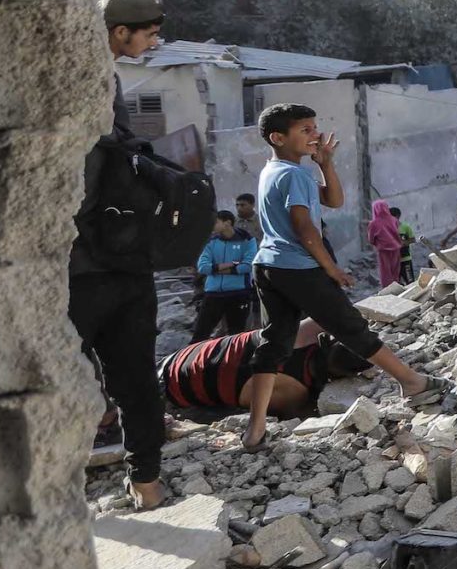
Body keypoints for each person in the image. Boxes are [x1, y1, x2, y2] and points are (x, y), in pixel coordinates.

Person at [248, 102, 437, 450]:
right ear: (278, 137)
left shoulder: (274, 170)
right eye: (305, 130)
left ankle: (255, 427)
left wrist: (327, 165)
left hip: (268, 266)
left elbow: (332, 200)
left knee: (274, 342)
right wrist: (330, 267)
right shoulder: (294, 175)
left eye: (315, 127)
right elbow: (304, 227)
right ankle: (411, 381)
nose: (316, 134)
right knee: (350, 326)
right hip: (299, 267)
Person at [72, 0, 171, 510]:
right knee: (132, 375)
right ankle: (146, 483)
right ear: (119, 32)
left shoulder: (96, 76)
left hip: (93, 260)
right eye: (149, 34)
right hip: (106, 258)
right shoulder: (92, 80)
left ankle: (138, 480)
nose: (155, 42)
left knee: (119, 374)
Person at [162, 320, 347, 419]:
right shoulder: (295, 393)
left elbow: (343, 314)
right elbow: (300, 417)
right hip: (172, 392)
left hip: (177, 359)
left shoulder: (306, 330)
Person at [191, 209, 258, 340]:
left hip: (238, 294)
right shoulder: (211, 242)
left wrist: (215, 269)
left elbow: (248, 265)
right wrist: (232, 264)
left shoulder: (247, 240)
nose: (212, 225)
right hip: (213, 294)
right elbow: (203, 267)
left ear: (227, 223)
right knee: (199, 335)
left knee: (237, 336)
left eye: (215, 222)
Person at [367, 199, 405, 287]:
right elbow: (397, 232)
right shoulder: (393, 220)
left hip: (383, 250)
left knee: (385, 271)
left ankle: (388, 289)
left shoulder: (373, 223)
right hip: (396, 247)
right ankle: (396, 287)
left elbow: (371, 239)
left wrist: (376, 243)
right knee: (395, 269)